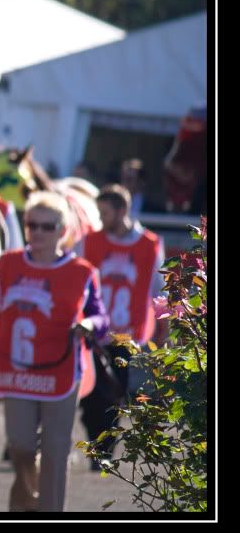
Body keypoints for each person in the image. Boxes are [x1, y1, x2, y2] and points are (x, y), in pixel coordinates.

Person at [0, 191, 109, 512]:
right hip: (16, 370)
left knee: (56, 449)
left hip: (62, 373)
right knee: (20, 445)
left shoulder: (82, 271)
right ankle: (26, 497)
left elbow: (101, 317)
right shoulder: (9, 264)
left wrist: (89, 325)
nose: (37, 232)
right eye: (31, 224)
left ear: (63, 231)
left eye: (47, 227)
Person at [77, 184, 165, 469]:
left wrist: (160, 333)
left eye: (105, 212)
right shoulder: (90, 241)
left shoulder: (149, 244)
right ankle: (96, 448)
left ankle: (103, 453)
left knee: (114, 395)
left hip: (126, 337)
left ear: (123, 210)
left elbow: (158, 290)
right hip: (93, 332)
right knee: (90, 397)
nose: (100, 219)